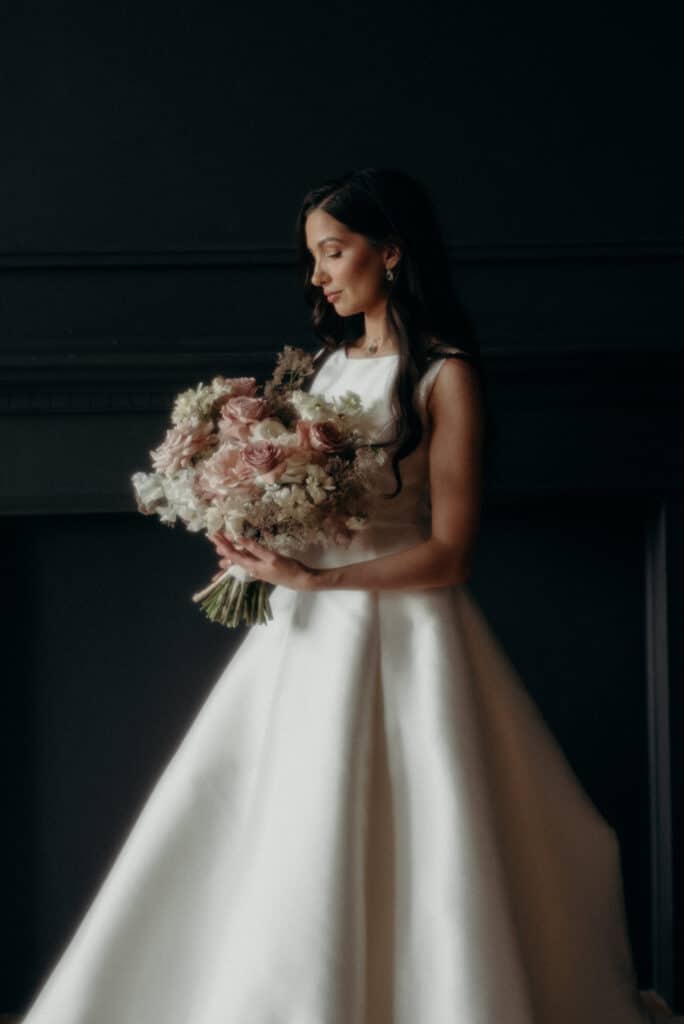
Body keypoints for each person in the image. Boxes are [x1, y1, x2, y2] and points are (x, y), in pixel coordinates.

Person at [19, 167, 677, 1023]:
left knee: (430, 837)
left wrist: (318, 578)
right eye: (314, 258)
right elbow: (314, 509)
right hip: (303, 624)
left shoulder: (444, 376)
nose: (321, 274)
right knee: (282, 825)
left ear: (392, 253)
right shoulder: (326, 365)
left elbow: (449, 556)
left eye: (335, 251)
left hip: (406, 631)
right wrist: (256, 544)